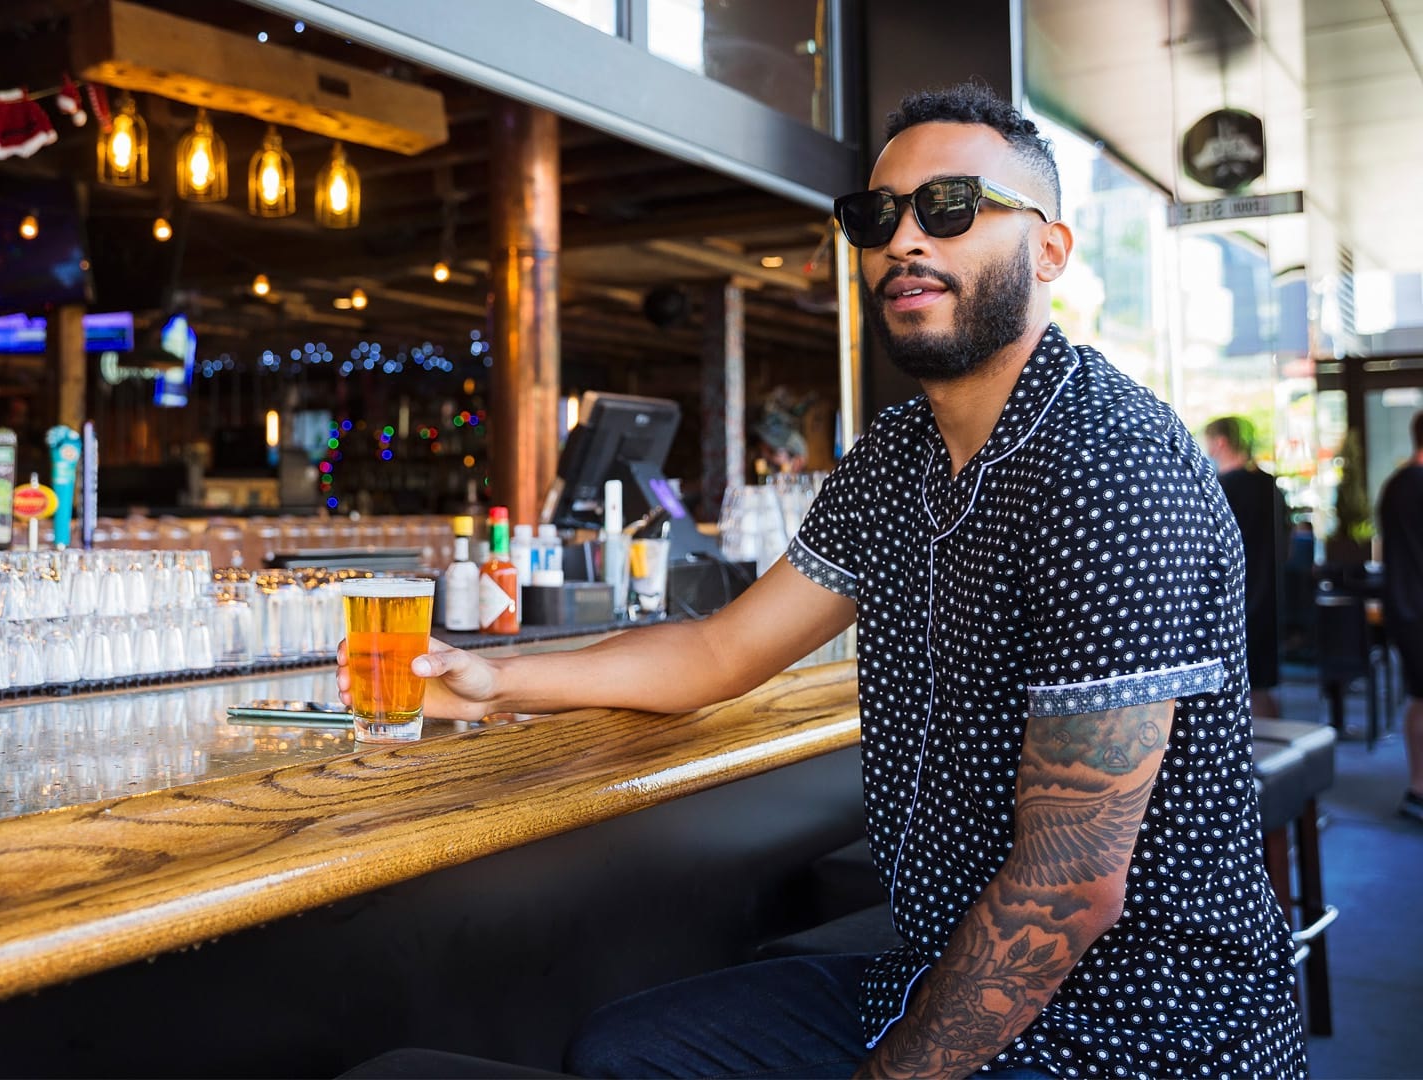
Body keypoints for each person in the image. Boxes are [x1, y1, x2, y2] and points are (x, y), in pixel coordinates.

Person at [339, 83, 1304, 1078]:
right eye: (879, 217)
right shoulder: (899, 454)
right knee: (624, 1050)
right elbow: (722, 648)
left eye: (952, 208)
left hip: (1143, 1025)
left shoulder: (1110, 463)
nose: (905, 242)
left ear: (1050, 250)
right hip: (935, 970)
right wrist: (497, 681)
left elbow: (1069, 885)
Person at [1202, 416, 1289, 721]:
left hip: (1231, 603)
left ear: (1220, 442)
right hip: (1270, 599)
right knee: (1261, 687)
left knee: (1243, 689)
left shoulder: (1218, 490)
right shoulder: (1270, 487)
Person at [1375, 412, 1423, 825]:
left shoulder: (1396, 485)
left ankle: (1417, 786)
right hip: (1416, 608)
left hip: (1405, 608)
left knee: (1418, 698)